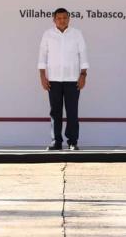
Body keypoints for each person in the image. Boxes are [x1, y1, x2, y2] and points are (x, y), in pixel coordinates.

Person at [38, 8, 89, 151]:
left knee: (72, 111)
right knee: (55, 111)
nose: (62, 20)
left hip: (73, 79)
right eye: (59, 18)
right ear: (54, 19)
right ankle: (56, 141)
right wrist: (42, 76)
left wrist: (83, 75)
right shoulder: (47, 35)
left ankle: (73, 141)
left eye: (65, 18)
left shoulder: (77, 34)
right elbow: (42, 56)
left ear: (69, 19)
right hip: (53, 79)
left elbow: (83, 55)